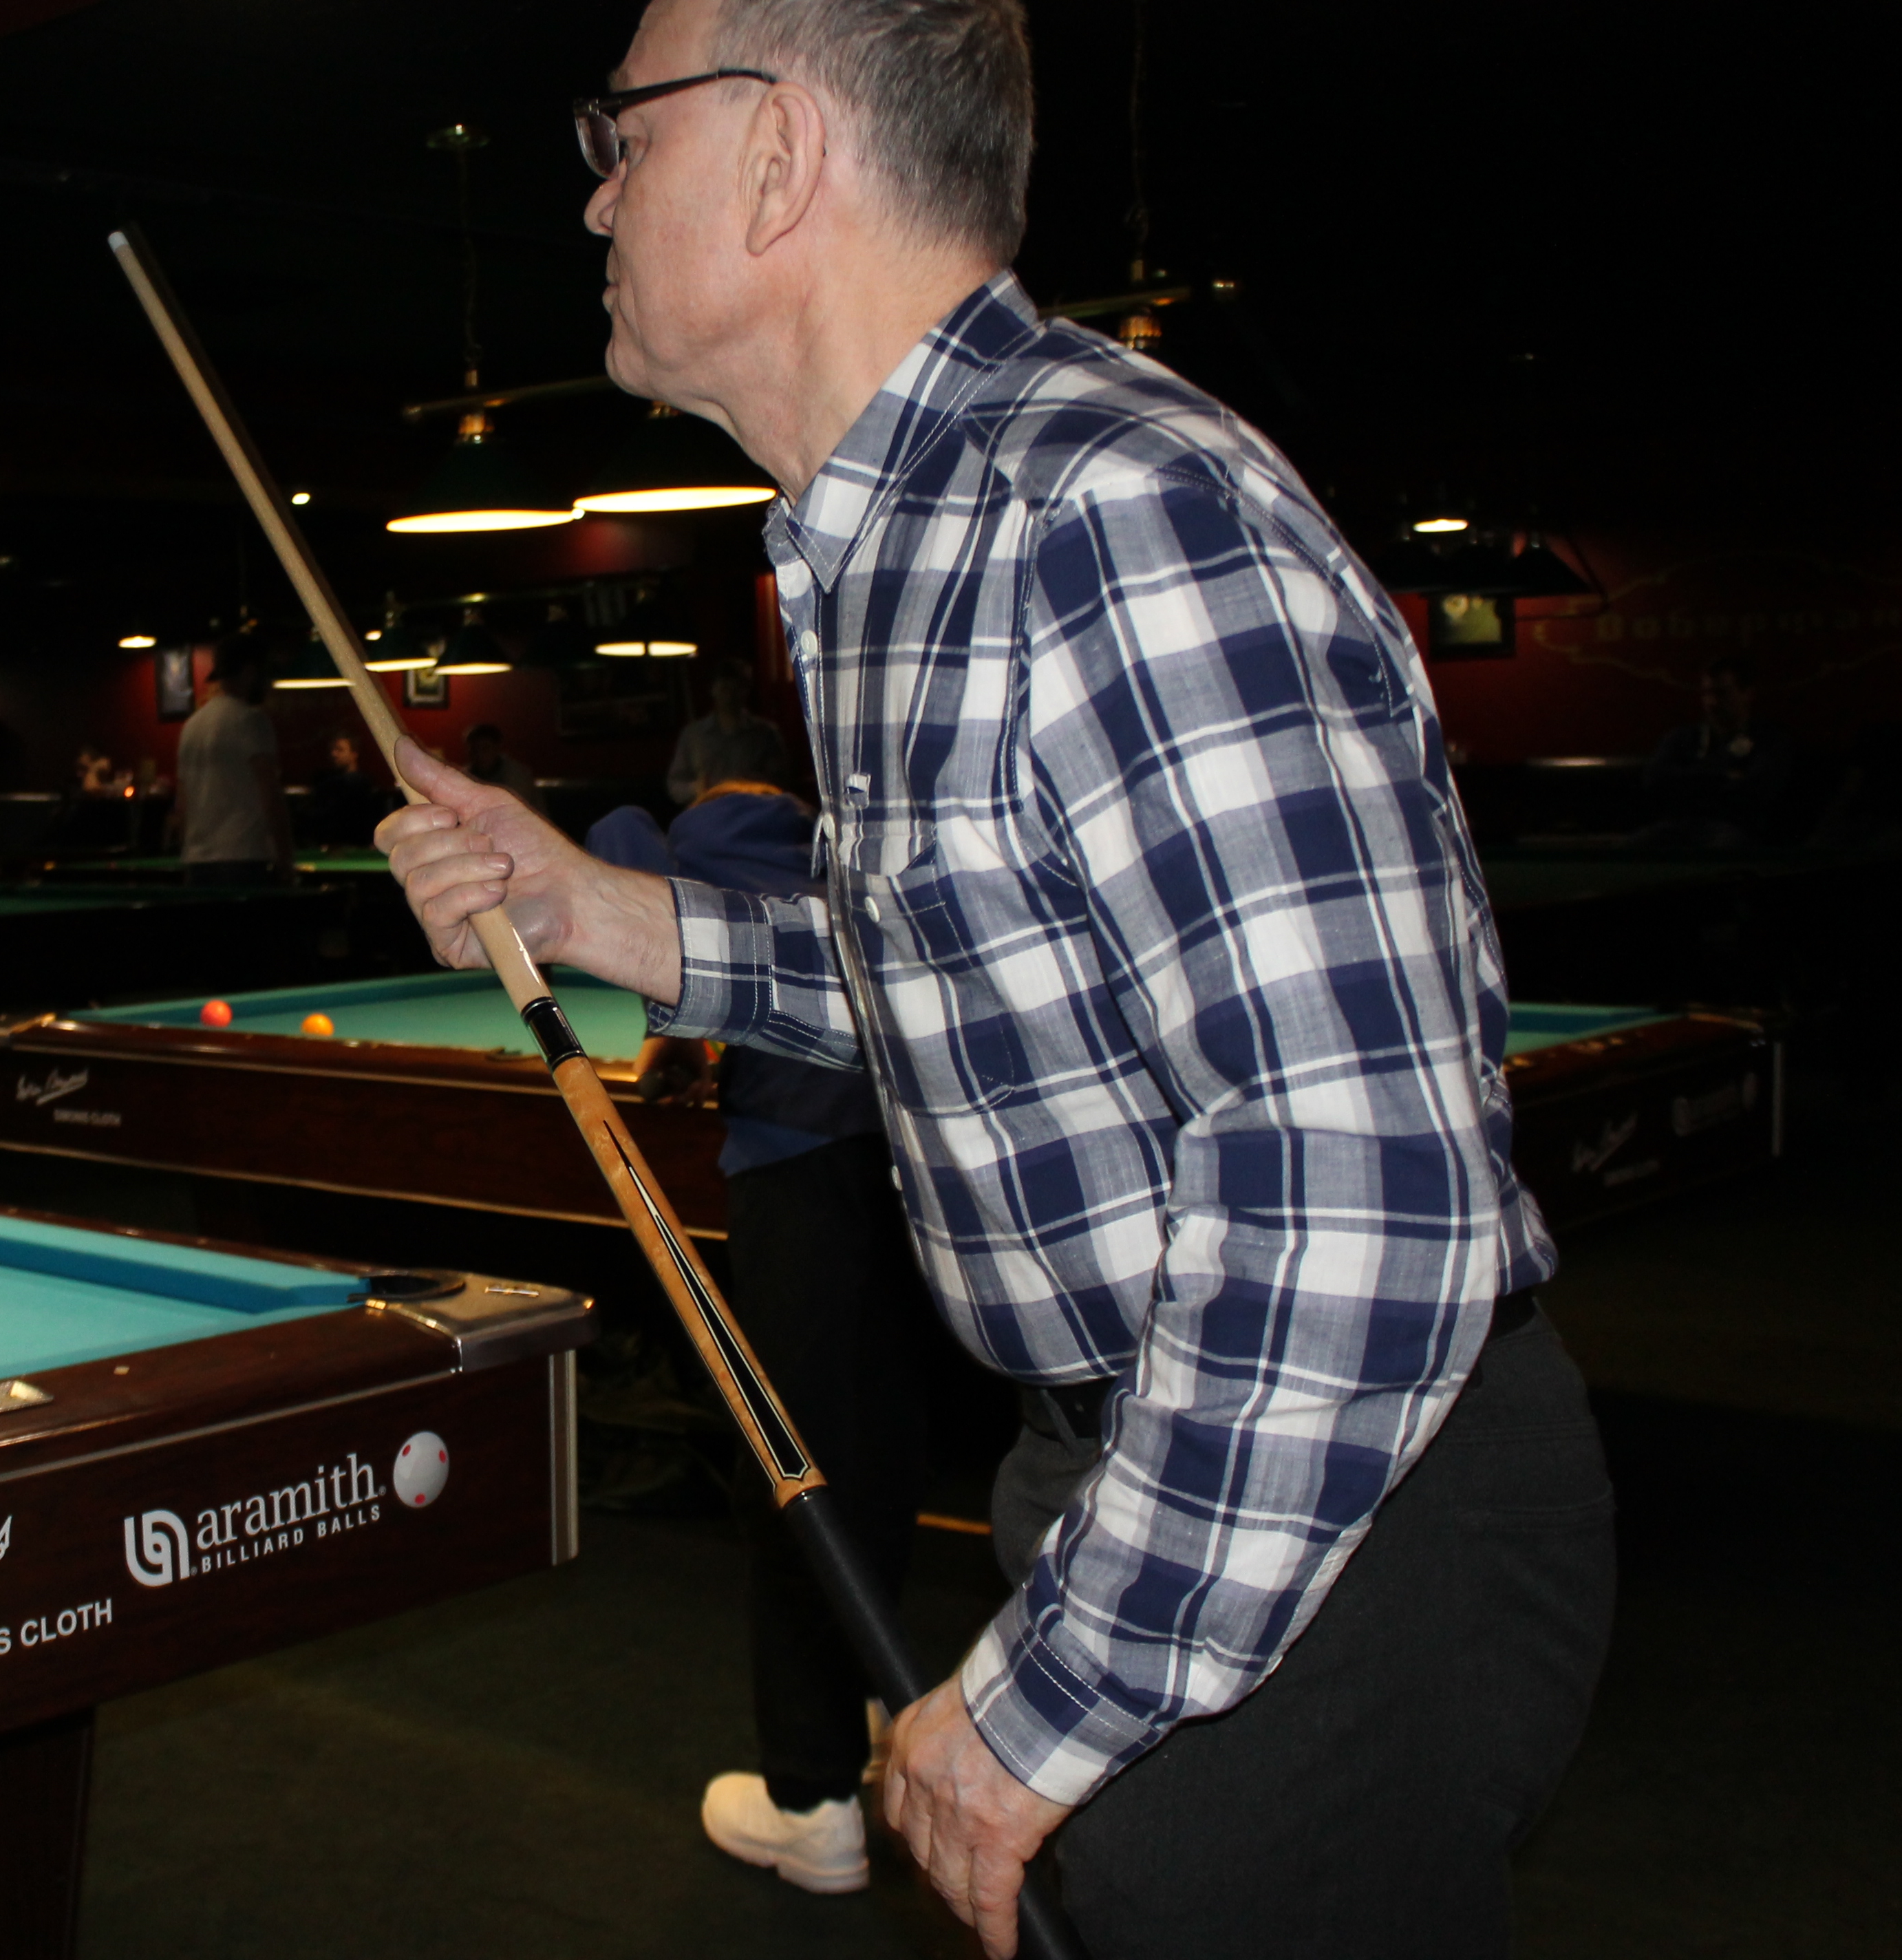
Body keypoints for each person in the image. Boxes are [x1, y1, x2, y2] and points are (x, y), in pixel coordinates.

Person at [377, 5, 1612, 1956]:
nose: (594, 194)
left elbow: (1357, 1194)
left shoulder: (1104, 509)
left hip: (1326, 1488)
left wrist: (1050, 1702)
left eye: (622, 133)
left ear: (778, 153)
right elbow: (981, 979)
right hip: (1164, 1453)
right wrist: (604, 916)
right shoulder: (905, 540)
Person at [588, 787, 931, 1897]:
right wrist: (689, 1039)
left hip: (800, 1177)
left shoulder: (698, 834)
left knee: (787, 1470)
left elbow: (621, 867)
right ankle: (872, 1700)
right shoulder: (828, 850)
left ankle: (811, 1805)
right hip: (909, 1177)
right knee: (872, 1447)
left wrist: (666, 1027)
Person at [171, 631, 291, 885]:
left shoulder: (191, 726)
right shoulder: (251, 720)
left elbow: (182, 803)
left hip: (198, 862)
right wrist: (286, 861)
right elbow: (270, 796)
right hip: (246, 859)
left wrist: (187, 856)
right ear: (250, 672)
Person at [1642, 655, 1799, 847]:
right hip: (1679, 825)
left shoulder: (1768, 739)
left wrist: (1691, 784)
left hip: (1735, 828)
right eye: (1707, 693)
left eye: (1722, 693)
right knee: (1633, 848)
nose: (1712, 702)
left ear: (1748, 694)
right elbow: (1655, 780)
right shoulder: (1683, 738)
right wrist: (1724, 776)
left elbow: (1755, 793)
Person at [665, 657, 785, 804]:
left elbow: (780, 782)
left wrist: (754, 787)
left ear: (746, 691)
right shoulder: (693, 735)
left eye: (736, 689)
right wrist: (696, 788)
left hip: (751, 810)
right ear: (713, 689)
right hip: (708, 811)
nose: (730, 696)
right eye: (725, 688)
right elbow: (675, 784)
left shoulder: (766, 734)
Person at [306, 731, 385, 845]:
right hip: (331, 844)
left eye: (340, 750)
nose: (334, 754)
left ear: (354, 754)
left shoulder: (364, 783)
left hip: (359, 844)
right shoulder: (325, 783)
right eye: (333, 750)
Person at [463, 723, 547, 815]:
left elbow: (517, 812)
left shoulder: (518, 776)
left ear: (497, 748)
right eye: (474, 750)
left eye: (485, 748)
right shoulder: (464, 777)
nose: (480, 755)